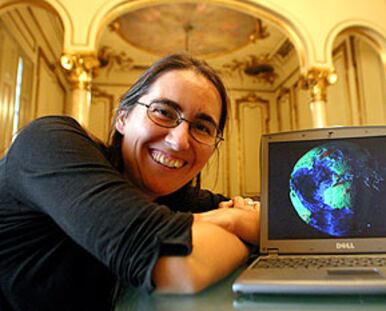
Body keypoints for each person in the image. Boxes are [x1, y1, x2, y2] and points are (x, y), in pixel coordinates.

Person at [0, 54, 260, 311]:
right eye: (163, 112)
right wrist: (232, 222)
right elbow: (180, 267)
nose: (180, 141)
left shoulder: (178, 199)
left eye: (202, 128)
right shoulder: (50, 144)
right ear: (122, 117)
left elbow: (276, 224)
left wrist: (233, 223)